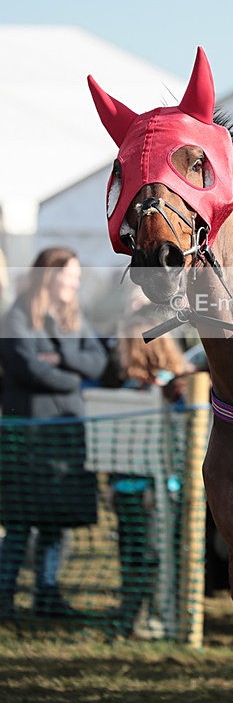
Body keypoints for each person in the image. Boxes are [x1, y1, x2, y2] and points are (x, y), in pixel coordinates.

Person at [0, 247, 107, 619]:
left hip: (66, 435)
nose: (74, 284)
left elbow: (98, 361)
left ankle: (47, 595)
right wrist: (73, 378)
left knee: (56, 521)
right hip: (27, 436)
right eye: (69, 276)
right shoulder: (17, 317)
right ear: (49, 275)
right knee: (20, 522)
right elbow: (29, 368)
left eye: (76, 278)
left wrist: (62, 358)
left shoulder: (73, 317)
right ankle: (4, 597)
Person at [105, 319, 191, 638]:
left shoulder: (173, 392)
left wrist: (160, 484)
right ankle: (133, 614)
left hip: (157, 490)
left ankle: (160, 617)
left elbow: (176, 444)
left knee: (156, 556)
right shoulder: (132, 389)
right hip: (130, 487)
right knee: (133, 554)